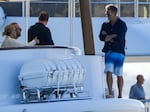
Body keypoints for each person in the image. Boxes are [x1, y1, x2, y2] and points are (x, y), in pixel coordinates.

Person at [99, 4, 127, 98]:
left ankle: (120, 94)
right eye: (106, 13)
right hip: (109, 50)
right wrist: (112, 36)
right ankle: (110, 92)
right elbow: (101, 37)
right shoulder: (105, 24)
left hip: (119, 51)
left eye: (109, 13)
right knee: (109, 71)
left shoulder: (122, 24)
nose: (107, 15)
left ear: (114, 13)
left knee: (119, 73)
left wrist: (108, 36)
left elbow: (120, 37)